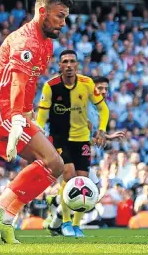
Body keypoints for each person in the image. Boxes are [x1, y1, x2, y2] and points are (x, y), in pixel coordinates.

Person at [0, 0, 72, 244]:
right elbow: (17, 83)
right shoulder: (25, 41)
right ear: (42, 13)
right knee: (52, 160)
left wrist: (27, 115)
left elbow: (29, 84)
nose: (63, 22)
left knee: (55, 165)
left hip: (14, 109)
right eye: (59, 16)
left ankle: (6, 217)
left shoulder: (47, 43)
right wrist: (18, 118)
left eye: (66, 17)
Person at [36, 50, 109, 238]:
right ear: (59, 65)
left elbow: (103, 109)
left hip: (82, 139)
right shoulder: (51, 86)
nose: (69, 65)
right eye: (65, 62)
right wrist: (38, 136)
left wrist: (101, 129)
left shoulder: (87, 84)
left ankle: (76, 225)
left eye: (72, 62)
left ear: (77, 65)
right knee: (69, 175)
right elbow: (42, 115)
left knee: (83, 181)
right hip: (60, 139)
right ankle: (66, 223)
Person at [42, 74, 123, 236]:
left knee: (86, 186)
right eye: (100, 88)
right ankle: (66, 223)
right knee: (76, 182)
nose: (104, 92)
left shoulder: (97, 110)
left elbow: (88, 136)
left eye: (106, 89)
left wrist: (105, 136)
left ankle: (57, 215)